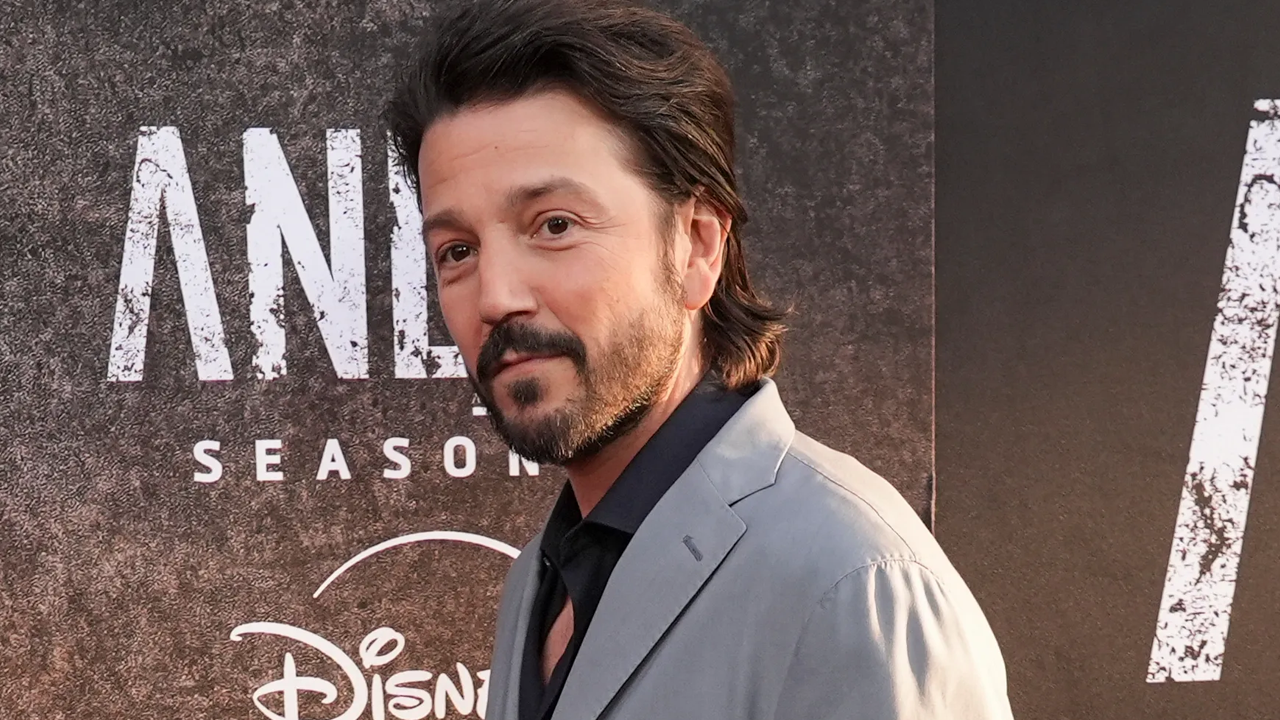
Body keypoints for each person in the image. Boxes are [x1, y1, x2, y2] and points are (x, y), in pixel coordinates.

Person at [385, 0, 1015, 717]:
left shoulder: (853, 583)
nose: (495, 297)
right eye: (457, 251)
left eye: (554, 225)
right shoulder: (537, 579)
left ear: (697, 246)